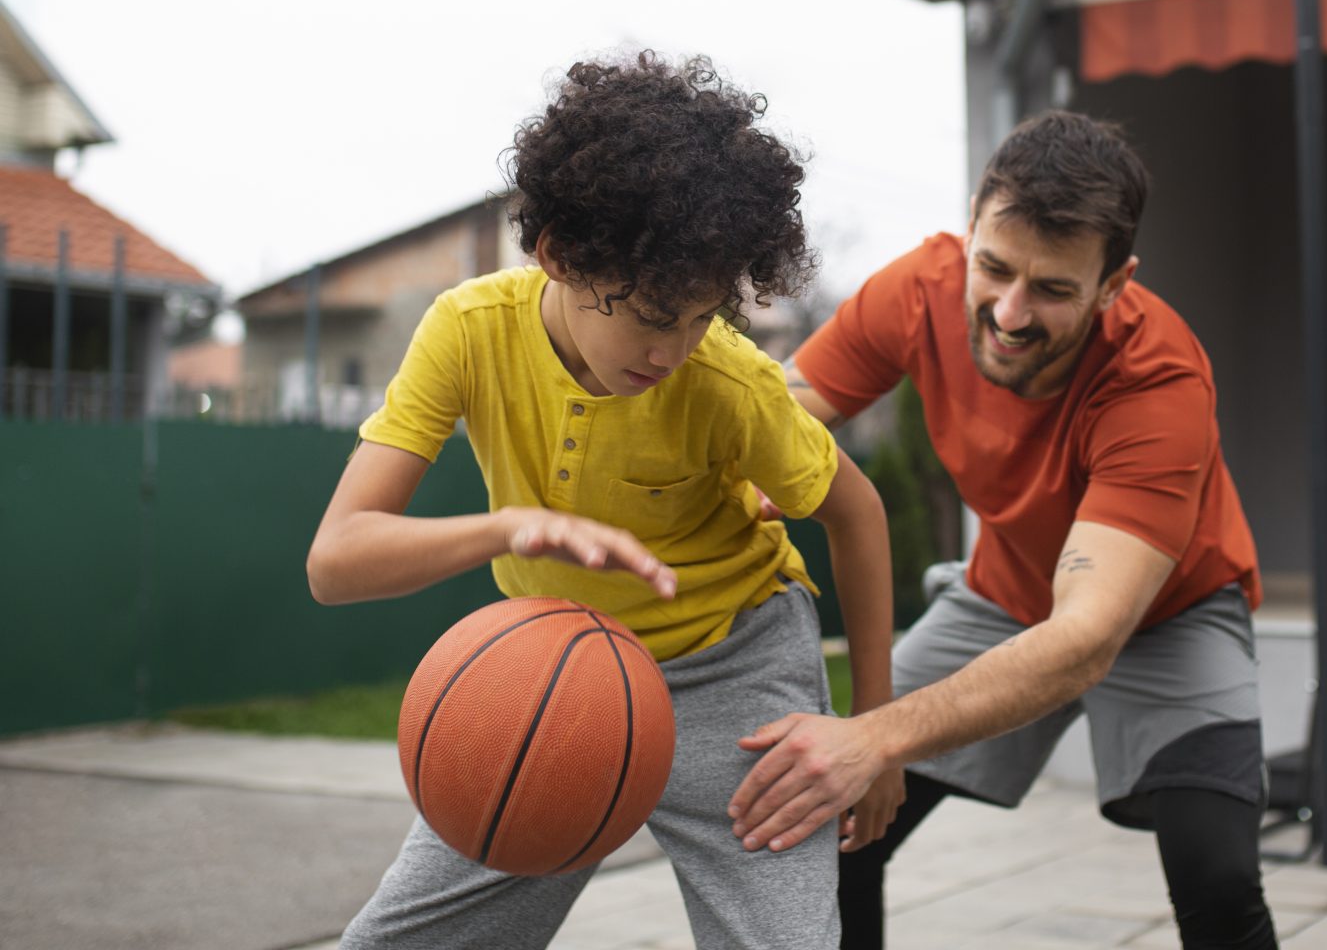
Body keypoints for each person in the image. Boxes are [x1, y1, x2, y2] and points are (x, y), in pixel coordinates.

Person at [307, 52, 903, 950]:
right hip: (555, 679)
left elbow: (855, 513)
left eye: (702, 316)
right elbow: (336, 562)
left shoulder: (728, 382)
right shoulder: (466, 333)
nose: (675, 348)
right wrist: (508, 528)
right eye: (654, 313)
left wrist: (877, 732)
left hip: (734, 672)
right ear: (558, 254)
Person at [730, 111, 1278, 949]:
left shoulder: (1157, 381)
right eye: (993, 268)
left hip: (1171, 615)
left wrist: (871, 737)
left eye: (1054, 290)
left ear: (1114, 283)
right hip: (1003, 593)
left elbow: (1089, 635)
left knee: (1218, 878)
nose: (1011, 312)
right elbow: (773, 416)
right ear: (972, 229)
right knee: (826, 829)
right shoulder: (919, 288)